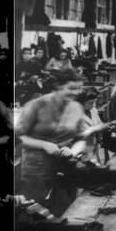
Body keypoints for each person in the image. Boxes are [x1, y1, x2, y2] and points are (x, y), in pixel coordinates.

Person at [15, 70, 86, 209]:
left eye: (79, 88)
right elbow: (18, 137)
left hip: (65, 168)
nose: (76, 92)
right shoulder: (36, 105)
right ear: (58, 86)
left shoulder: (77, 107)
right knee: (34, 211)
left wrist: (72, 150)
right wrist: (43, 145)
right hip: (37, 171)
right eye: (71, 88)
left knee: (67, 209)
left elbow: (82, 139)